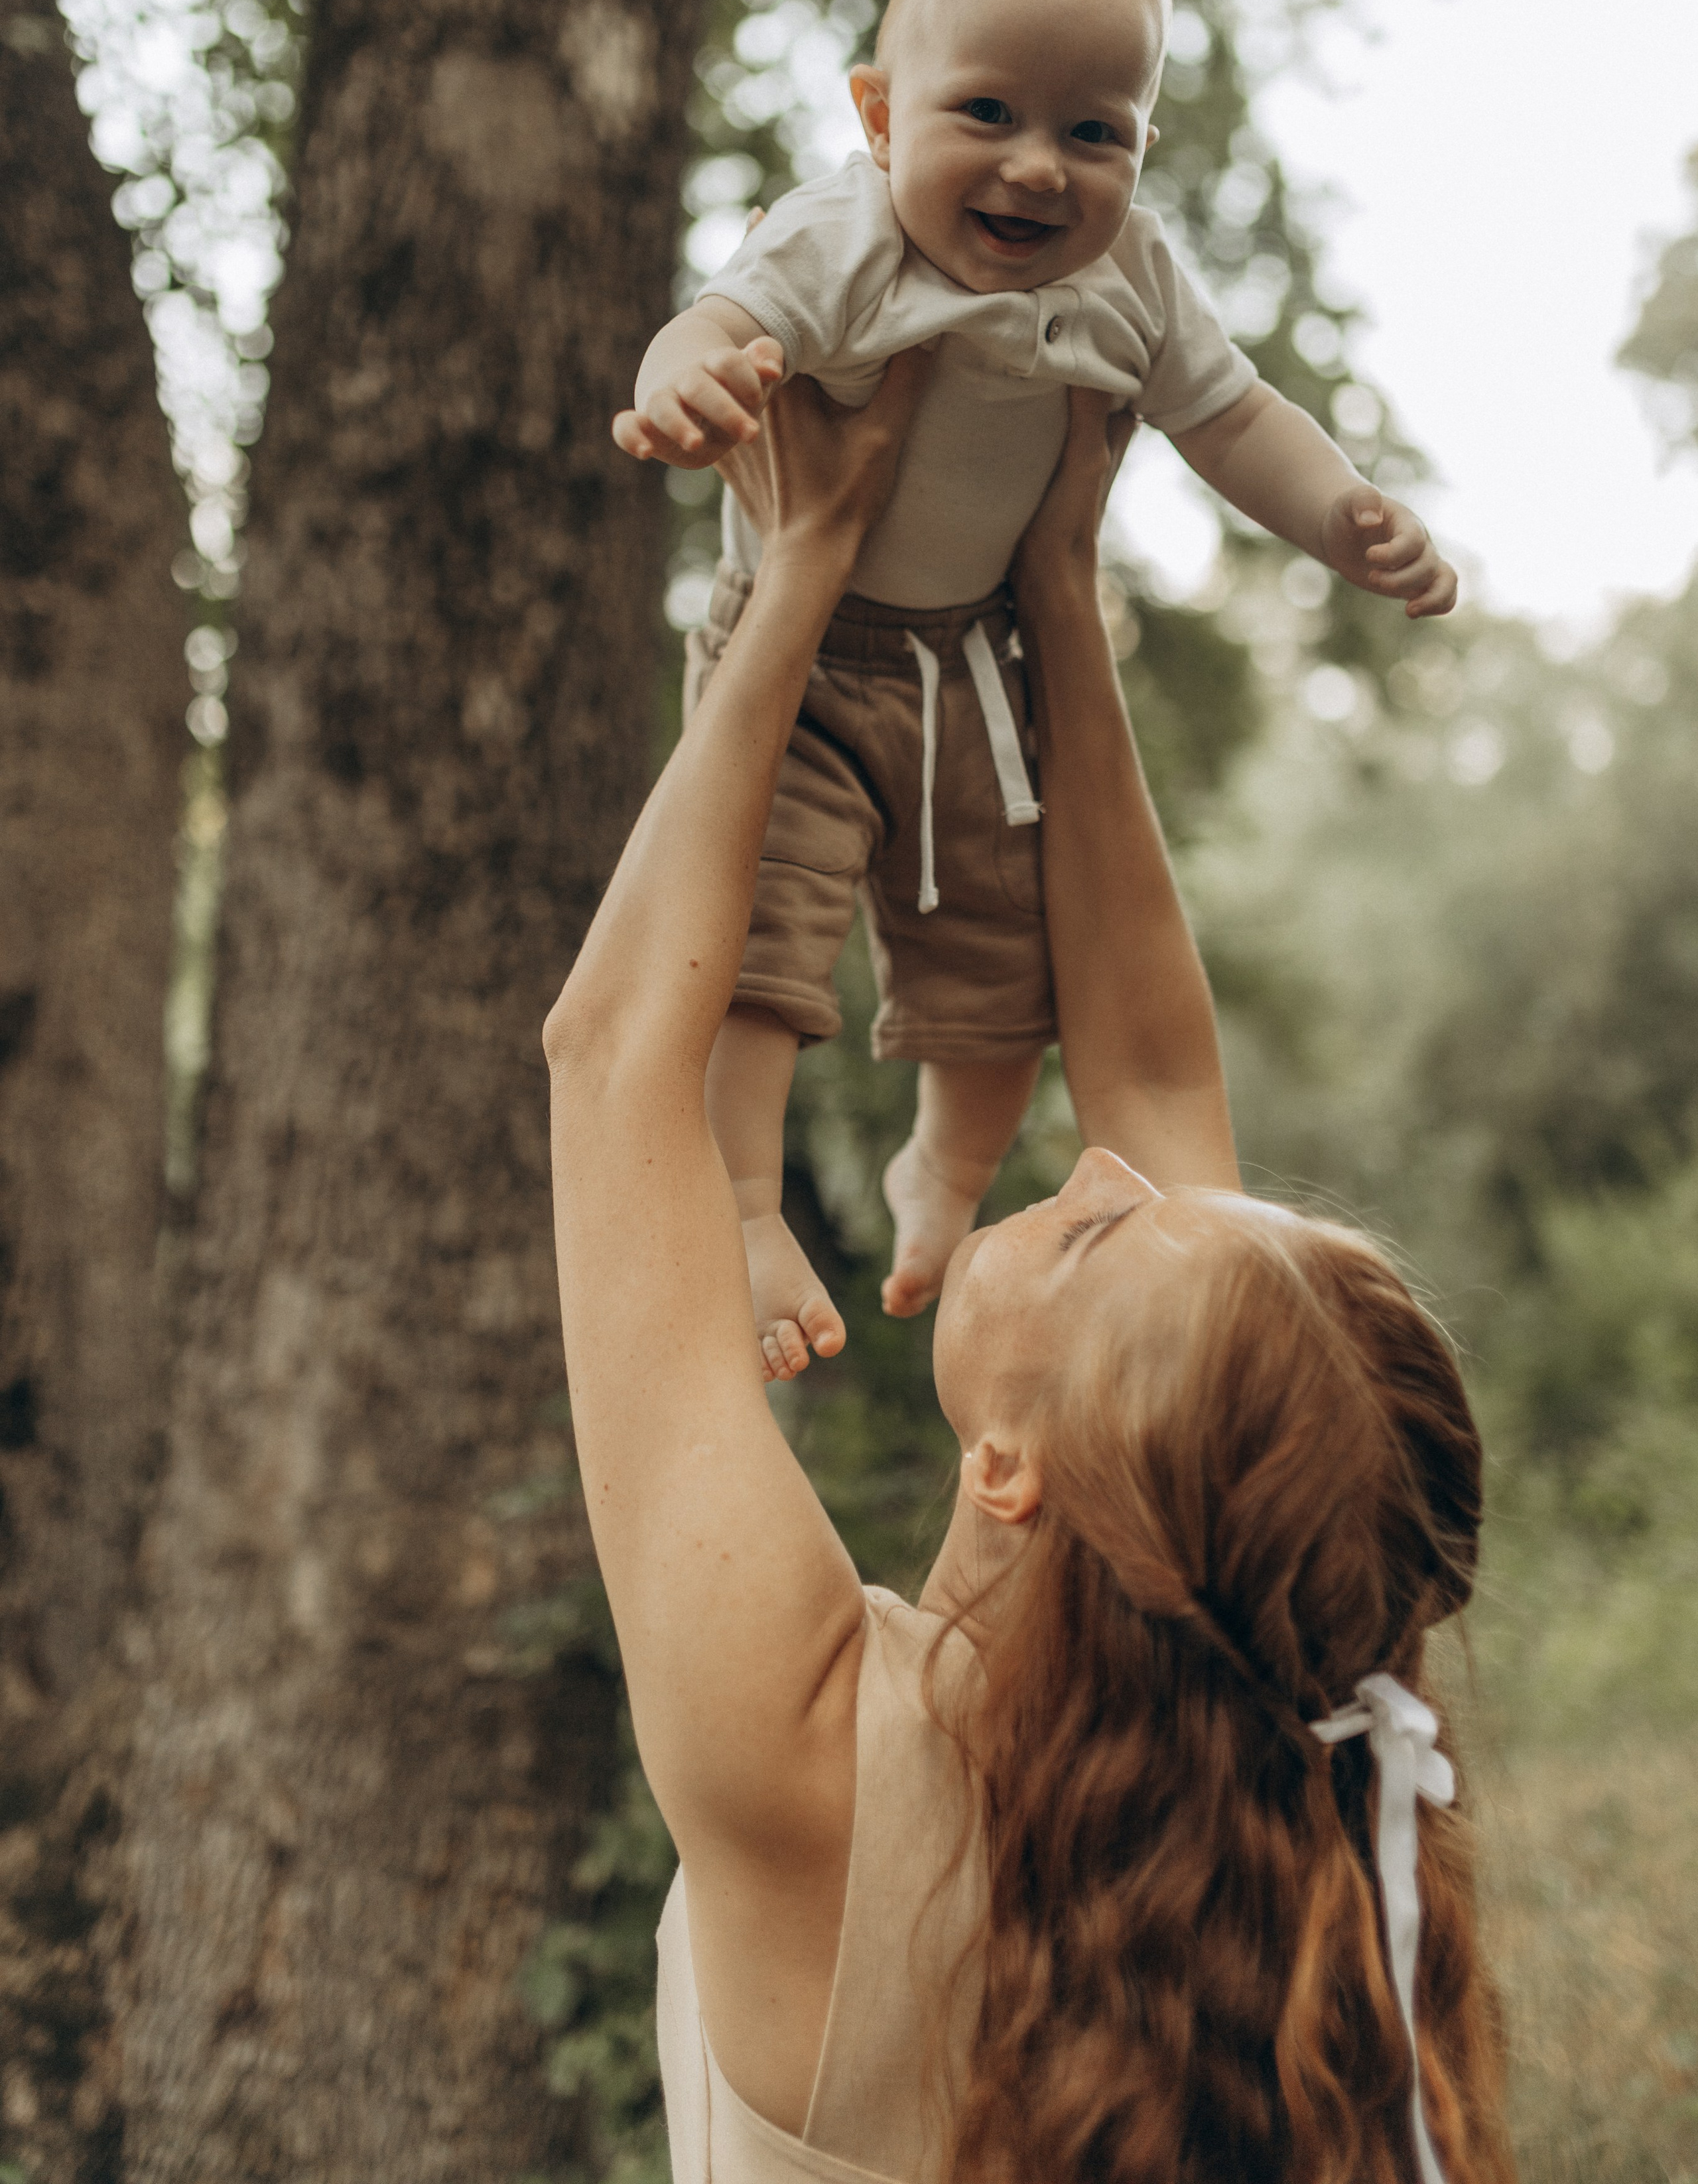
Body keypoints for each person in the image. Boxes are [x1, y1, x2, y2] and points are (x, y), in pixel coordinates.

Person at [547, 371, 1512, 2184]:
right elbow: (1146, 1056)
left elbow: (615, 1069)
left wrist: (801, 570)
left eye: (1098, 1232)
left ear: (1014, 1470)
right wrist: (1057, 588)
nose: (1111, 1164)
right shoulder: (1306, 1837)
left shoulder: (827, 1775)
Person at [612, 0, 1459, 1372]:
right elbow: (718, 318)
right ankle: (743, 1207)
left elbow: (1234, 418)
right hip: (796, 668)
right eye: (987, 113)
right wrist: (687, 382)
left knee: (1005, 963)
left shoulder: (1134, 280)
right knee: (754, 943)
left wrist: (1341, 513)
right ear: (881, 117)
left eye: (1092, 133)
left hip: (975, 668)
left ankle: (942, 1177)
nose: (1035, 168)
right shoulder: (841, 239)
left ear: (1142, 147)